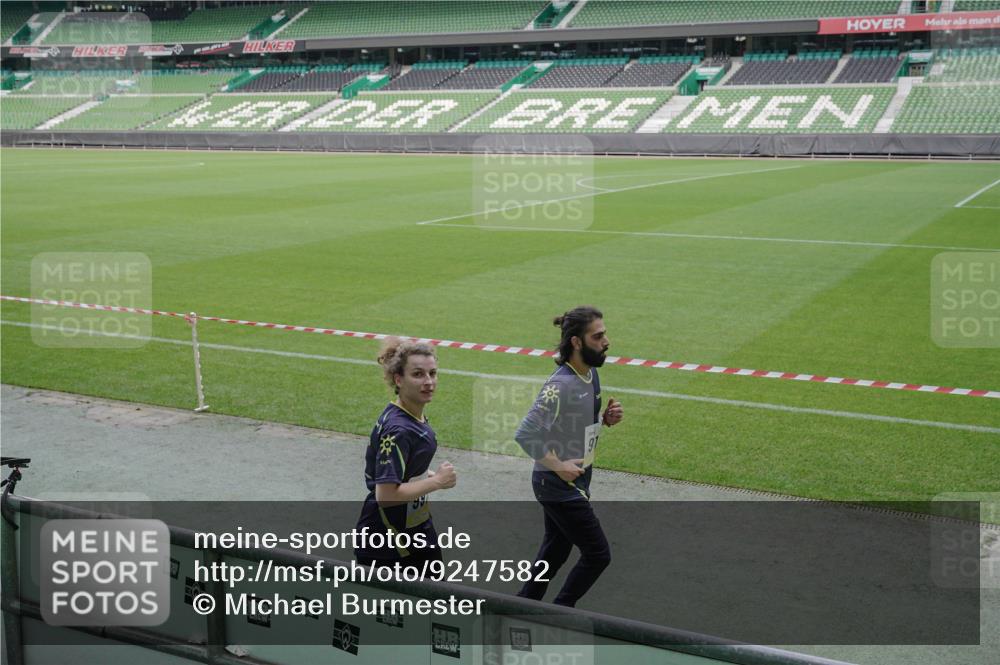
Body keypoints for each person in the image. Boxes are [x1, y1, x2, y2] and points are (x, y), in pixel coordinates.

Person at [515, 306, 624, 607]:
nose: (606, 341)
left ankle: (522, 605)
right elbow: (525, 434)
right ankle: (560, 611)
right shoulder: (559, 386)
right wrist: (558, 466)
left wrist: (605, 418)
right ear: (577, 342)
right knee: (598, 554)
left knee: (555, 550)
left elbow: (572, 423)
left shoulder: (589, 375)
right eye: (598, 336)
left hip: (572, 480)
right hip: (557, 484)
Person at [355, 337, 456, 568]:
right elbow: (386, 496)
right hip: (390, 542)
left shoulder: (408, 415)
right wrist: (438, 482)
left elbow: (399, 470)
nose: (428, 381)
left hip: (413, 530)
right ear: (398, 379)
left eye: (433, 373)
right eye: (418, 374)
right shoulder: (399, 429)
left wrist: (425, 476)